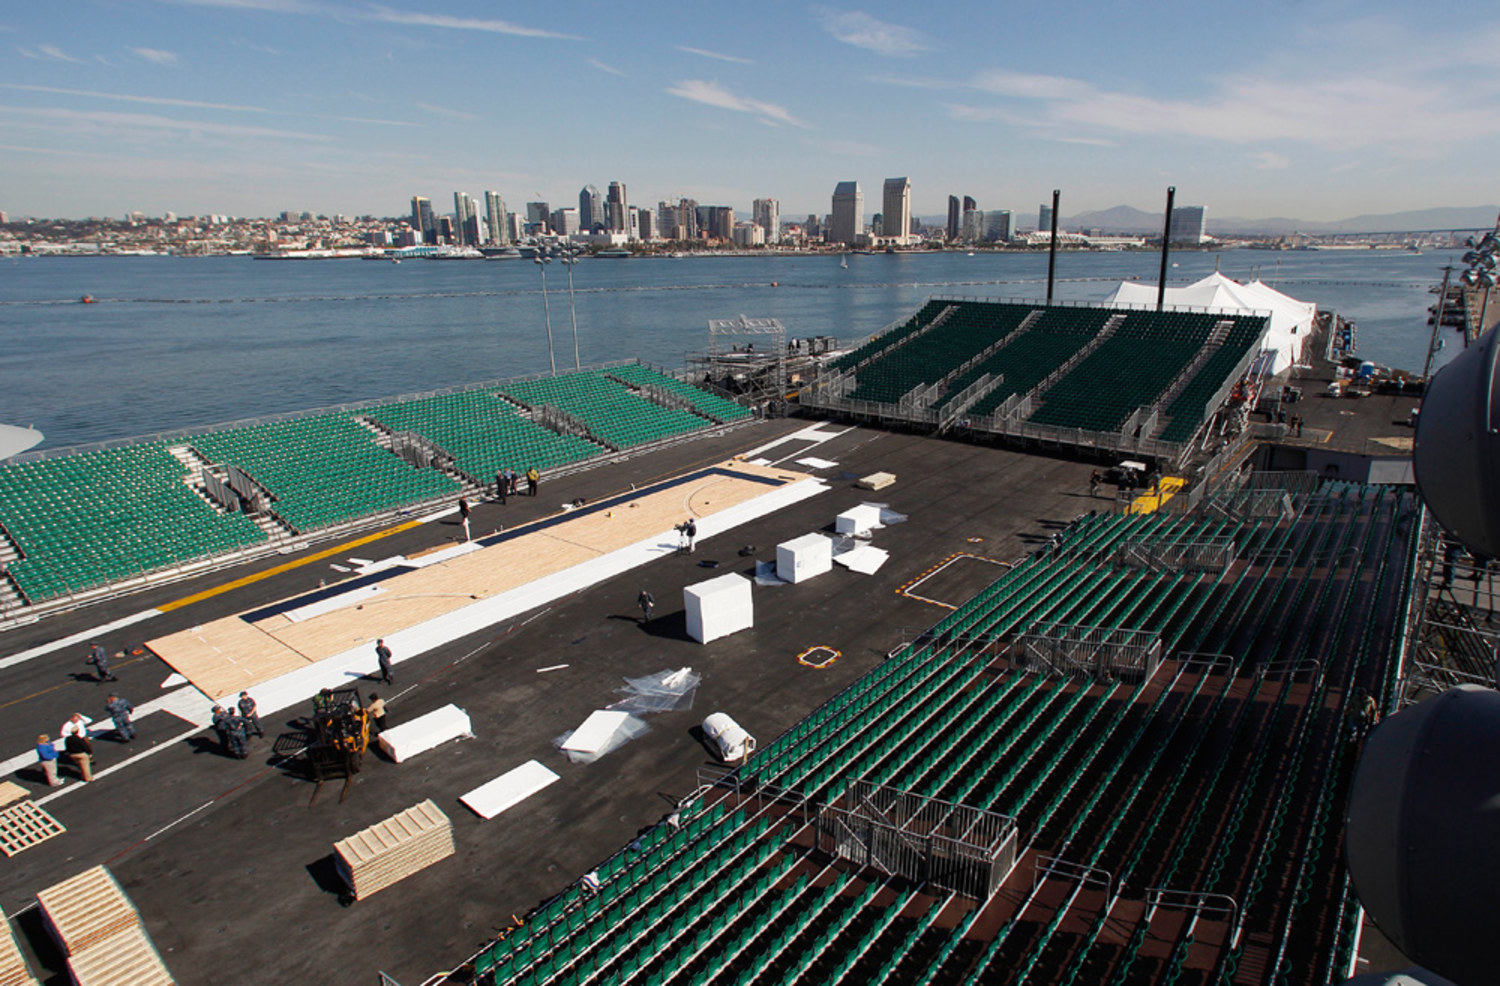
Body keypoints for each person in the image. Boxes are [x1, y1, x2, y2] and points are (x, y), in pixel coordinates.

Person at [61, 714, 93, 781]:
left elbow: (89, 720)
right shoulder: (67, 725)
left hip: (82, 737)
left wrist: (81, 716)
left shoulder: (80, 721)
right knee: (85, 765)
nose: (76, 721)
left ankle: (83, 773)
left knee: (81, 764)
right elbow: (62, 734)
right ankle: (88, 778)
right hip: (79, 741)